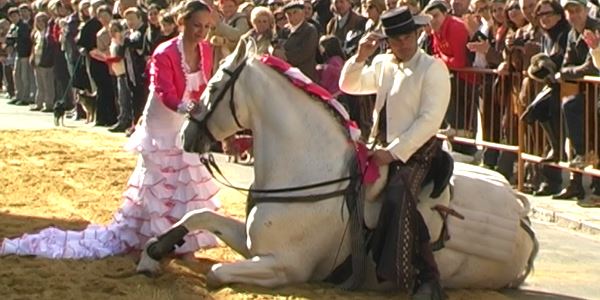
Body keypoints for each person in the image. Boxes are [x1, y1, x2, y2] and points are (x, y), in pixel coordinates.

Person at [0, 0, 220, 260]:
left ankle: (185, 244)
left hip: (184, 121)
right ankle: (157, 239)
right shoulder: (165, 51)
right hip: (162, 121)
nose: (202, 32)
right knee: (160, 182)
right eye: (197, 25)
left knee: (187, 180)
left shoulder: (206, 50)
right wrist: (185, 106)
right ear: (182, 23)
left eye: (206, 27)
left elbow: (206, 84)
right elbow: (163, 91)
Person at [339, 6, 450, 299]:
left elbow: (430, 120)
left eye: (407, 37)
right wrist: (361, 56)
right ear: (387, 41)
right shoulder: (384, 64)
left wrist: (393, 153)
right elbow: (348, 84)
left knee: (398, 194)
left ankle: (428, 277)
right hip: (380, 147)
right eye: (396, 39)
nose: (403, 44)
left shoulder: (433, 68)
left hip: (420, 152)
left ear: (417, 34)